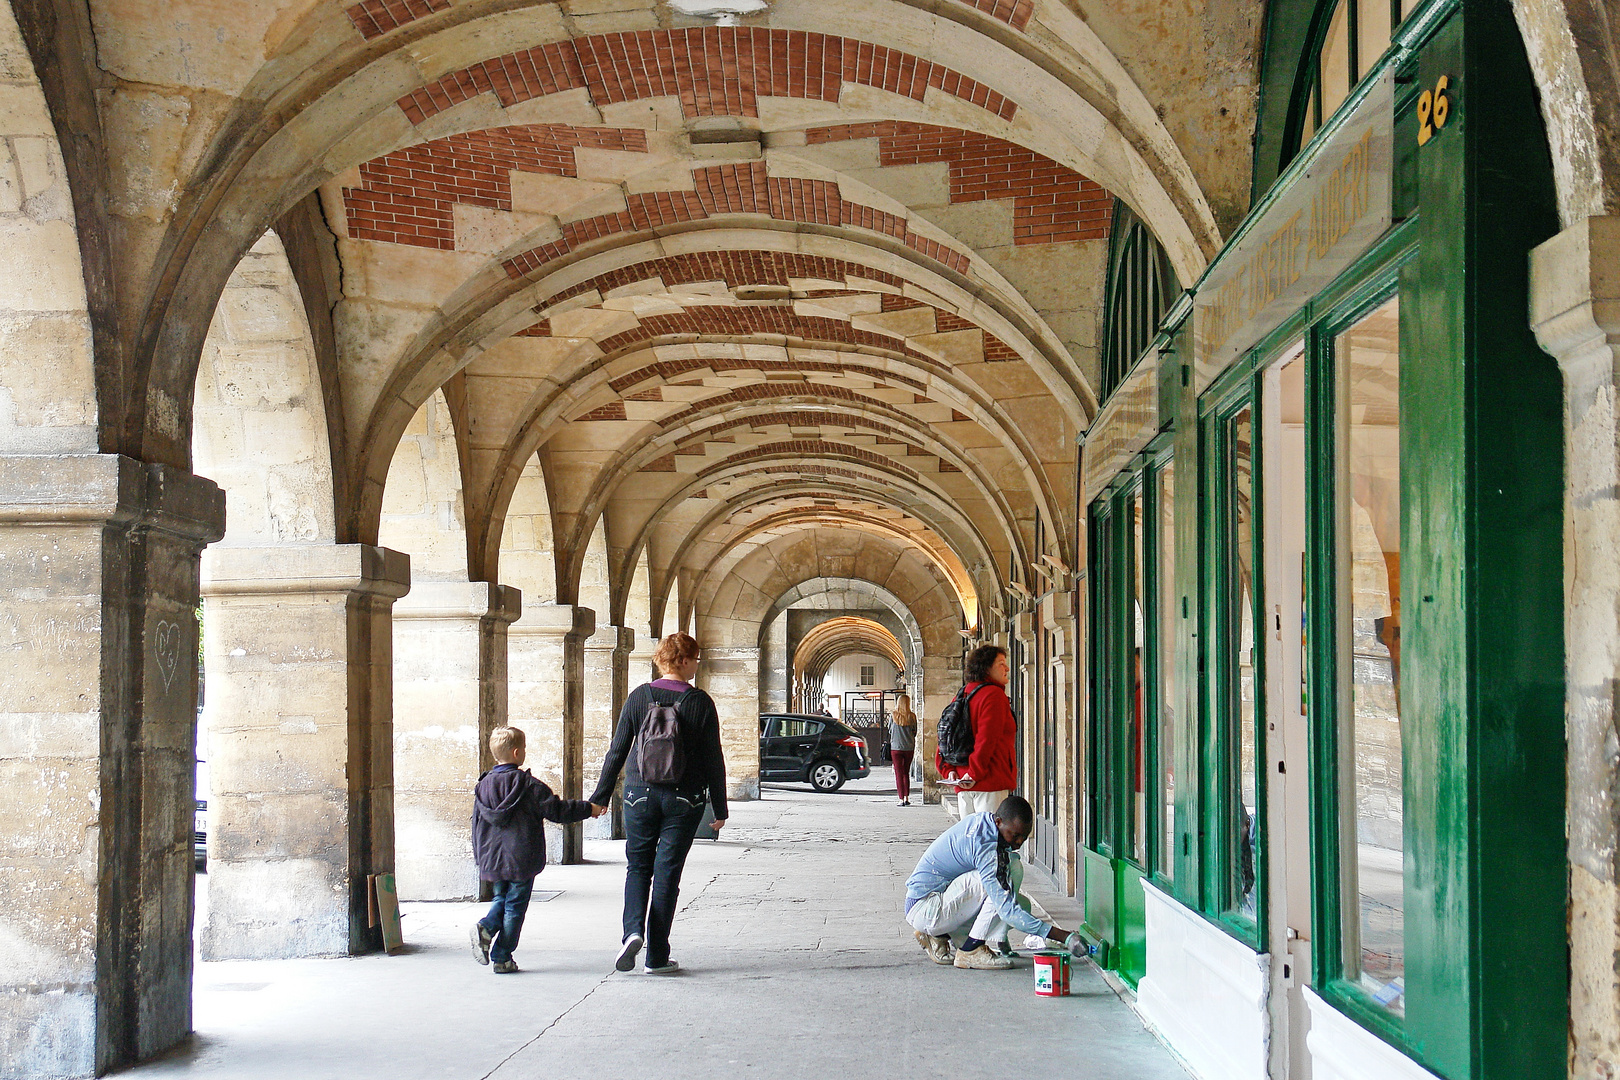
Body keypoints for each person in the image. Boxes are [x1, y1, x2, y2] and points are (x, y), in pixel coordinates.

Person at [592, 631, 727, 975]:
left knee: (637, 867)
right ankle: (657, 957)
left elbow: (618, 750)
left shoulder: (640, 697)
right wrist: (720, 808)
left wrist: (601, 796)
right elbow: (714, 758)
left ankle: (632, 932)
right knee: (667, 874)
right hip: (684, 798)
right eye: (695, 658)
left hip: (638, 795)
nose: (697, 664)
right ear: (682, 660)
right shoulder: (699, 702)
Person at [470, 725, 605, 973]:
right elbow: (557, 810)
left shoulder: (482, 785)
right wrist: (589, 808)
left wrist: (480, 855)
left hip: (492, 857)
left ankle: (488, 931)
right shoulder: (528, 785)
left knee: (502, 897)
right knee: (515, 907)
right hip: (521, 857)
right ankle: (499, 952)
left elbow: (476, 823)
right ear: (517, 753)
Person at [904, 795, 1081, 969]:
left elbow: (1007, 906)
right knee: (997, 881)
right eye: (1015, 835)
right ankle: (970, 950)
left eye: (1025, 837)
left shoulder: (985, 824)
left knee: (1021, 901)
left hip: (936, 902)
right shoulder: (985, 846)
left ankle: (941, 934)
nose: (1019, 842)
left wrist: (1002, 941)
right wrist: (1066, 937)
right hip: (925, 908)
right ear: (998, 822)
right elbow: (1005, 910)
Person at [937, 644, 1017, 817]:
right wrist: (974, 774)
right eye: (1001, 663)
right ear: (986, 668)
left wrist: (948, 769)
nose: (1007, 668)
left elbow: (946, 733)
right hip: (989, 782)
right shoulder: (994, 695)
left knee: (970, 840)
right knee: (989, 839)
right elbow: (987, 739)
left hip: (962, 781)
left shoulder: (963, 693)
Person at [888, 694, 918, 806]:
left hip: (896, 748)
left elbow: (890, 730)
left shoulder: (893, 716)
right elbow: (915, 732)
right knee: (906, 772)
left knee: (898, 773)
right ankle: (906, 797)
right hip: (909, 747)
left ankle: (900, 798)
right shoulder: (912, 716)